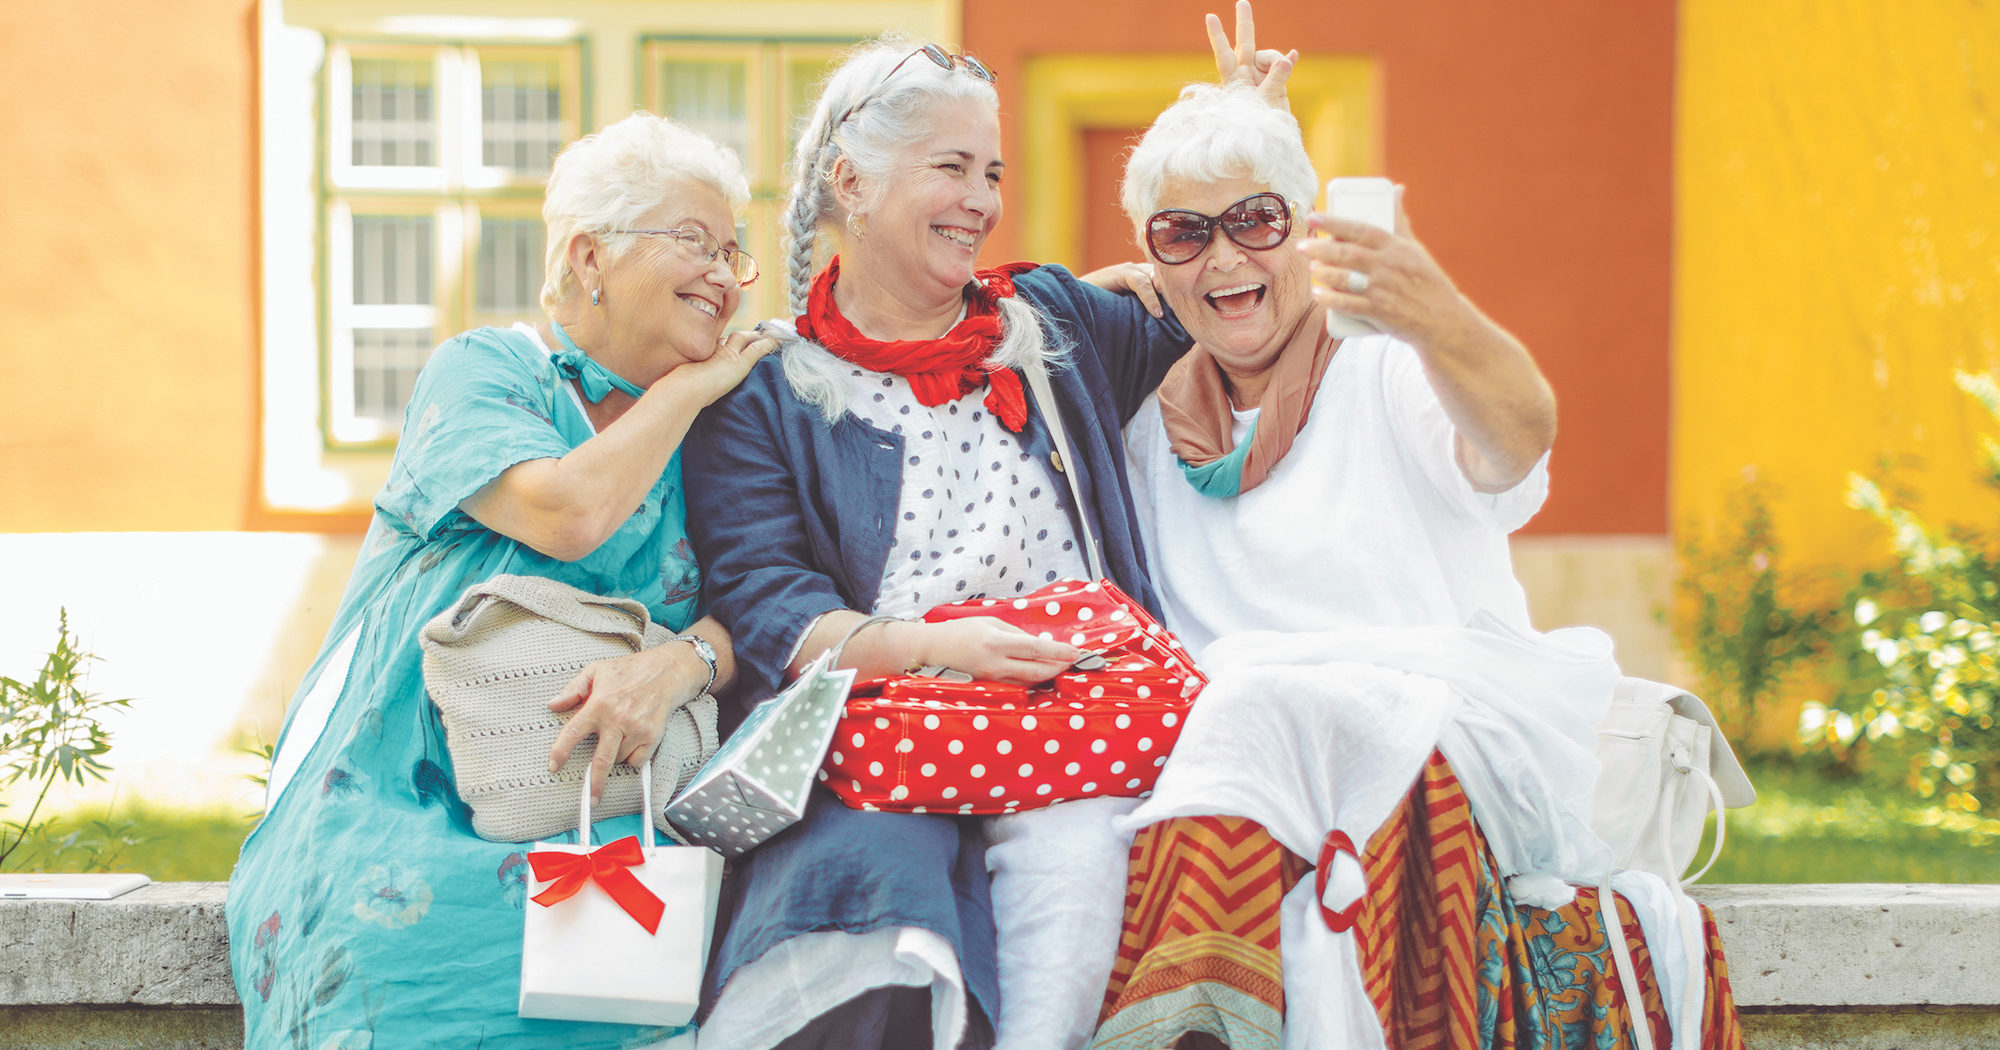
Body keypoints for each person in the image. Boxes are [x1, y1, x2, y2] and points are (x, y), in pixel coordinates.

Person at [1085, 83, 1747, 1050]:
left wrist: (1435, 315)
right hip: (1245, 780)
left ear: (1308, 230)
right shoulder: (1151, 425)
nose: (1224, 256)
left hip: (1435, 734)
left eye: (1257, 221)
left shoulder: (1389, 367)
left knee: (1262, 710)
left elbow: (1516, 441)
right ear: (1150, 257)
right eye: (1182, 234)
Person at [676, 20, 1298, 1047]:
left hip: (1084, 707)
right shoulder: (767, 392)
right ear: (852, 183)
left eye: (993, 171)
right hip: (898, 719)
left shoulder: (1050, 324)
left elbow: (1214, 293)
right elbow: (767, 603)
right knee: (876, 895)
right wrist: (932, 650)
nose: (981, 200)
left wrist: (1244, 139)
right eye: (951, 167)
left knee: (1078, 857)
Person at [226, 113, 779, 1048]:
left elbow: (764, 601)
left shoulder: (731, 424)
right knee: (405, 952)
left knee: (654, 962)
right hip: (399, 793)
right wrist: (688, 390)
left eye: (733, 251)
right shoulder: (487, 371)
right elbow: (567, 514)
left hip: (608, 800)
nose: (725, 276)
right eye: (693, 241)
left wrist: (677, 665)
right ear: (590, 256)